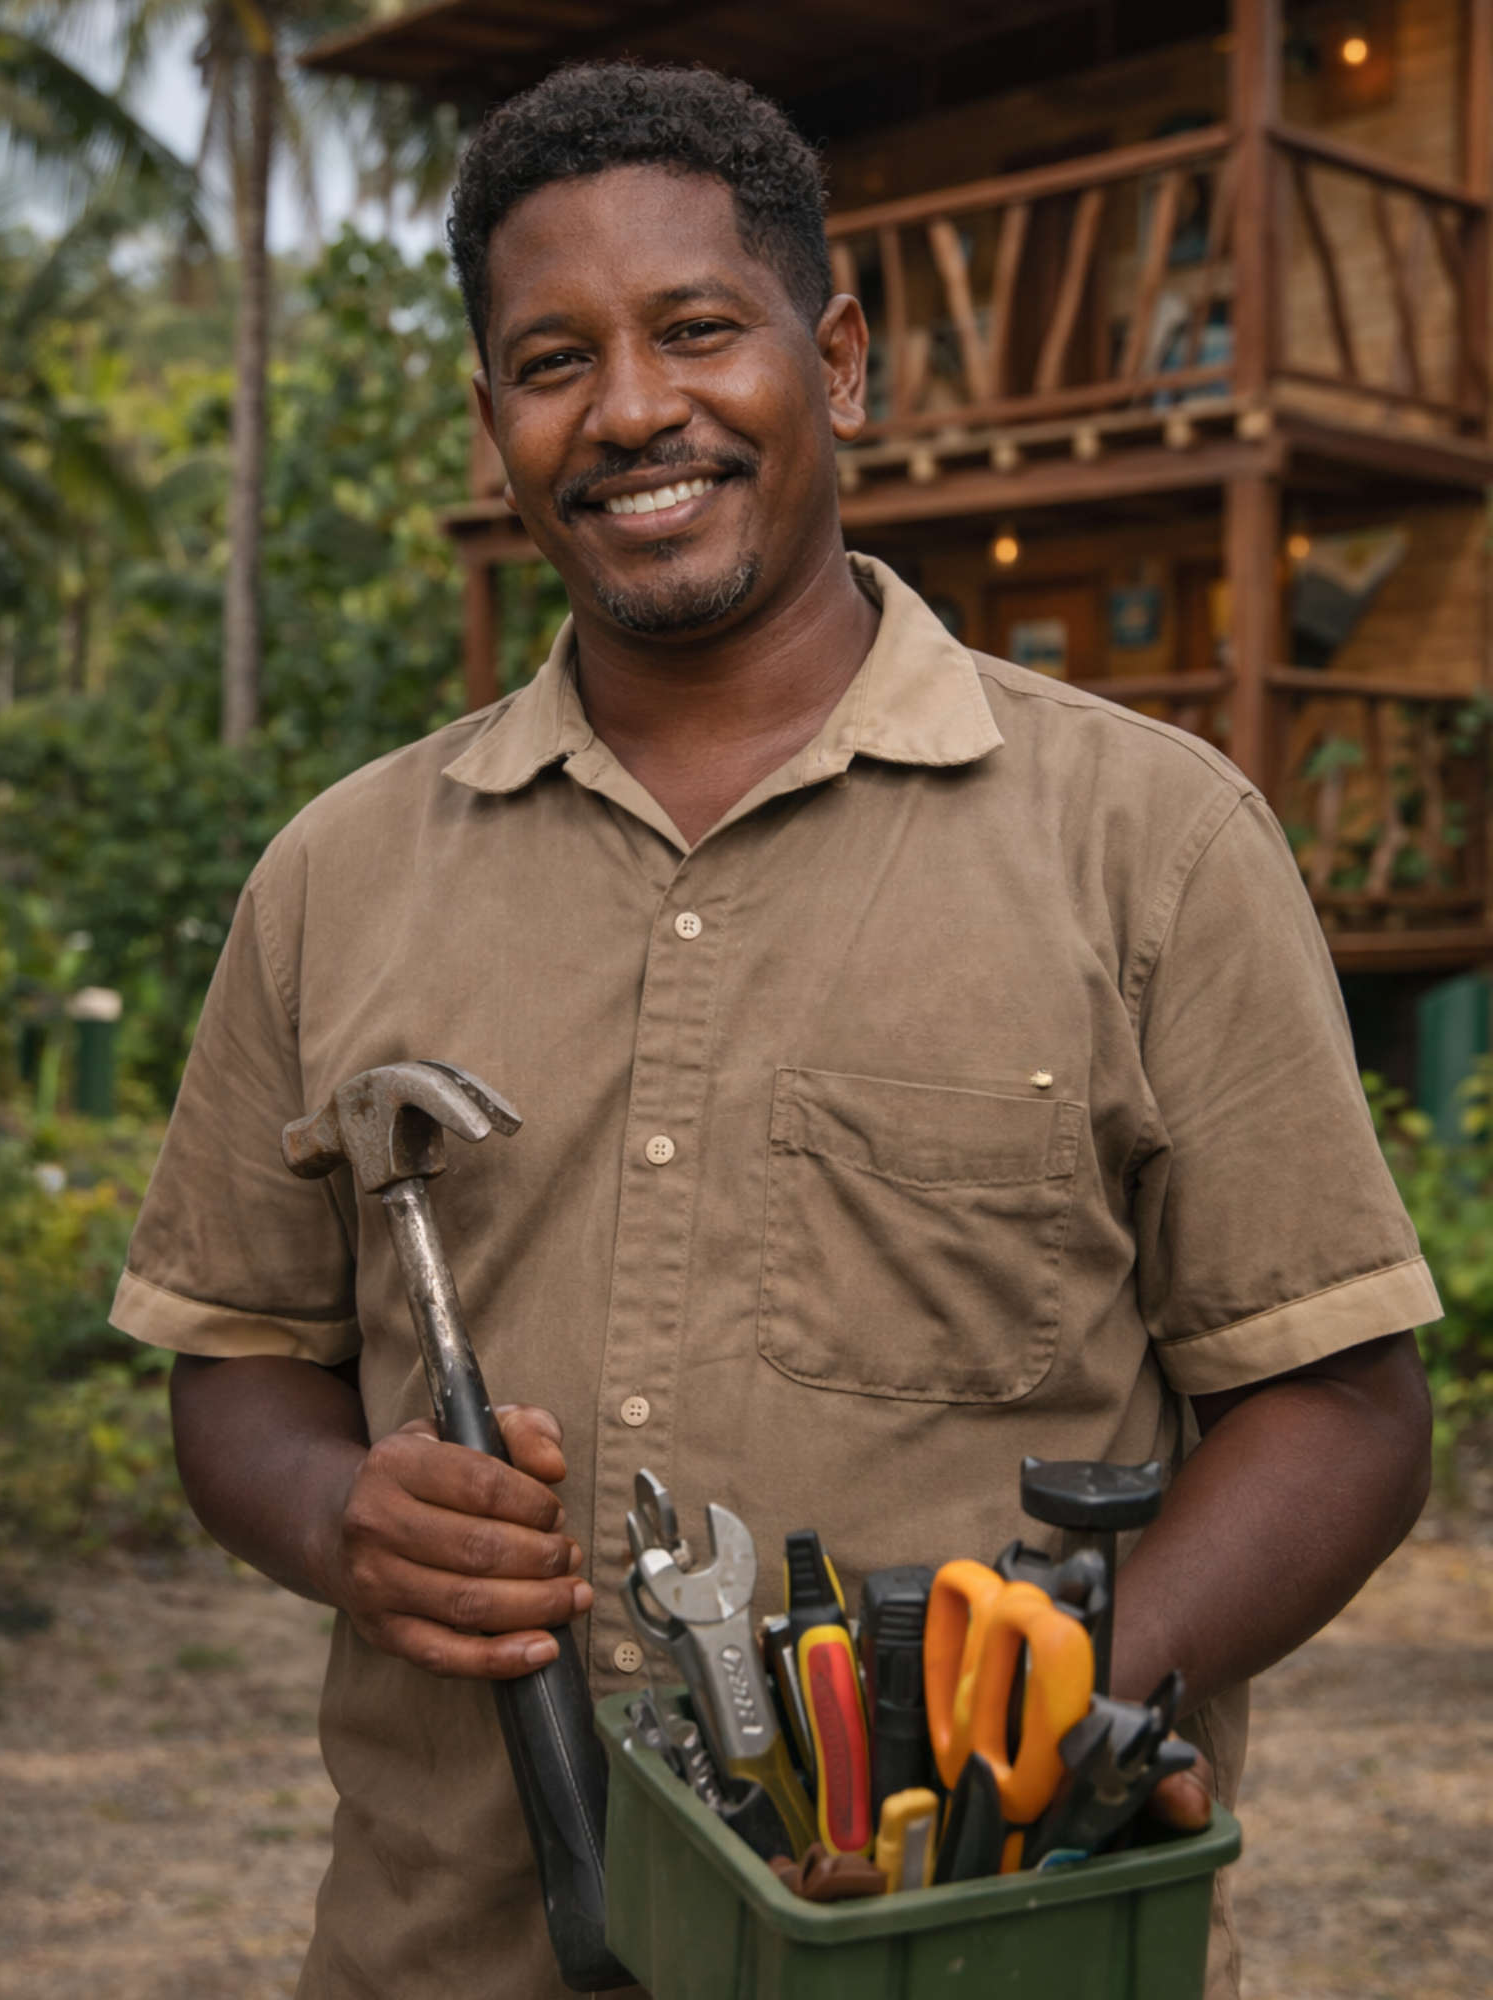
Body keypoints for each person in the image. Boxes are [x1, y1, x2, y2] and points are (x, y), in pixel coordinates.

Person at [110, 62, 1437, 2000]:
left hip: (980, 1940)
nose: (632, 406)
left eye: (697, 330)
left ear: (837, 361)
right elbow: (238, 1370)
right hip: (443, 1944)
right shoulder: (337, 874)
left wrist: (1050, 1724)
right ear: (492, 432)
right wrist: (340, 1510)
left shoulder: (1146, 839)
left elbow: (1336, 1407)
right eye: (552, 358)